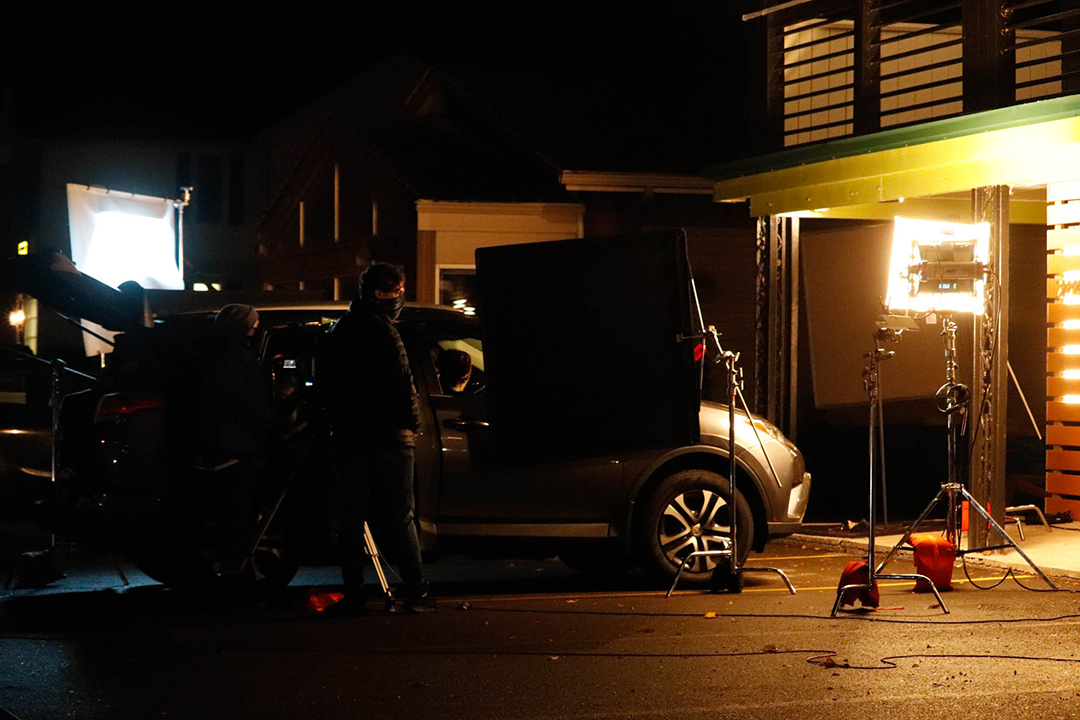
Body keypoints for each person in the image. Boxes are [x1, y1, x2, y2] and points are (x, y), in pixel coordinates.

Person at [319, 262, 434, 615]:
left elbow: (327, 386)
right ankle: (416, 589)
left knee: (352, 519)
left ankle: (355, 594)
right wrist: (412, 425)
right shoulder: (386, 332)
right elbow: (403, 385)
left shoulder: (340, 331)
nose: (398, 299)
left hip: (351, 438)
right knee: (401, 515)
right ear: (380, 294)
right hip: (389, 439)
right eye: (395, 293)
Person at [193, 303, 273, 578]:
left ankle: (223, 567)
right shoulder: (240, 359)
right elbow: (253, 404)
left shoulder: (206, 356)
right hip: (238, 448)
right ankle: (234, 570)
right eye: (253, 323)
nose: (256, 327)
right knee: (239, 513)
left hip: (213, 448)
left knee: (219, 513)